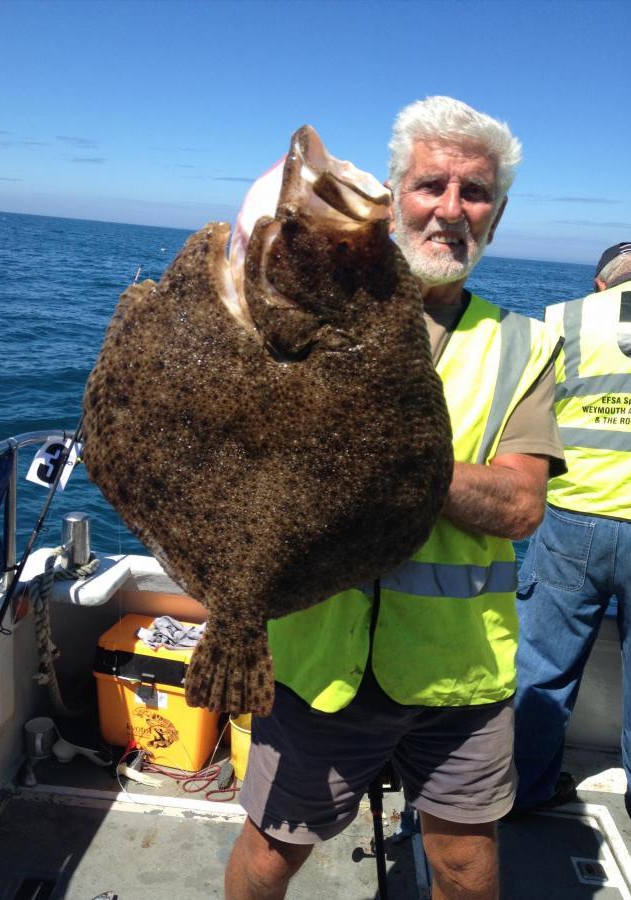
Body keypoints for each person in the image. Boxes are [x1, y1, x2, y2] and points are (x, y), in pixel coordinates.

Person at [225, 96, 565, 900]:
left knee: (464, 870)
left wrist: (395, 461)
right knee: (270, 854)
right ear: (392, 193)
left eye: (474, 193)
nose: (451, 210)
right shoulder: (305, 313)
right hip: (317, 659)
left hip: (457, 674)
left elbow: (520, 508)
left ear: (498, 214)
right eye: (429, 185)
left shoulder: (523, 344)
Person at [512, 242, 631, 816]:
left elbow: (516, 413)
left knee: (542, 669)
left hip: (572, 523)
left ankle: (524, 790)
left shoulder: (564, 318)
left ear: (601, 284)